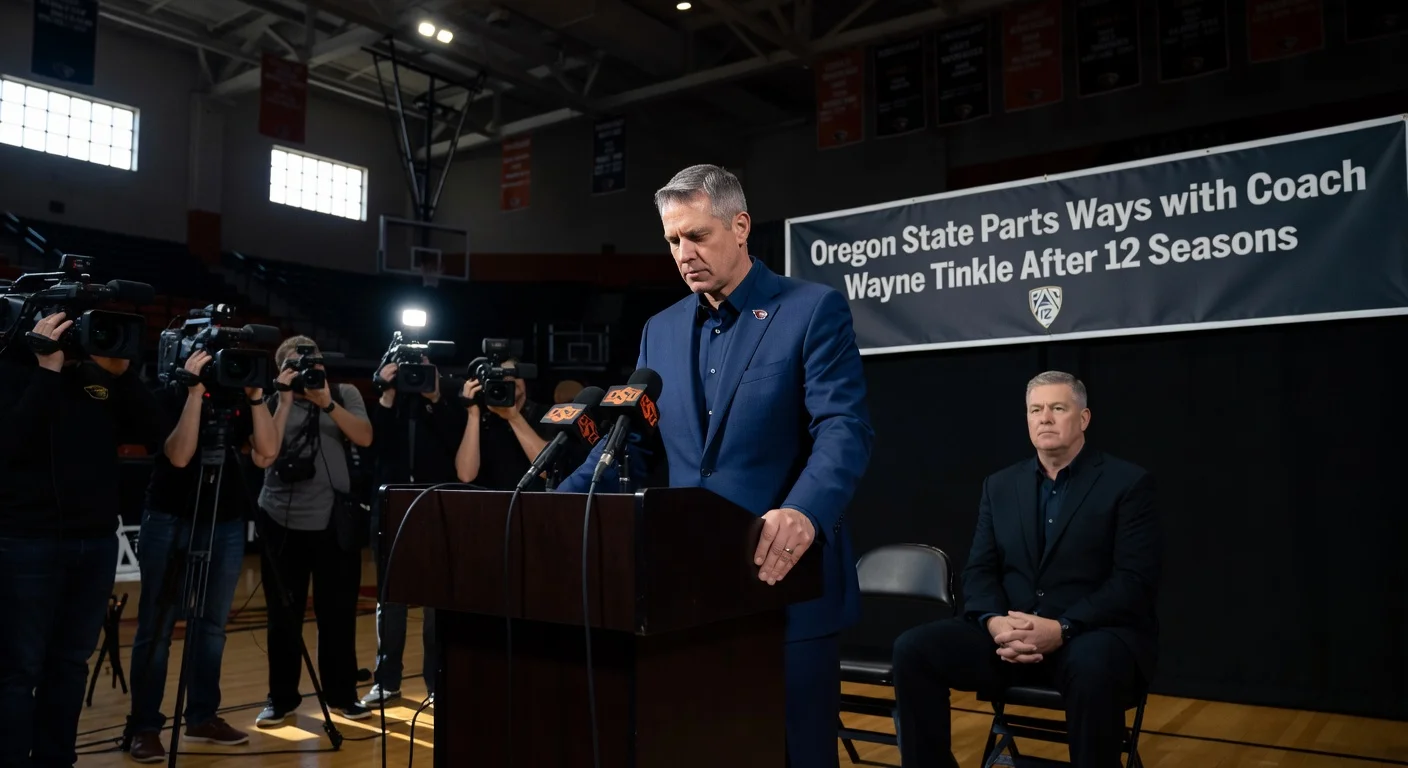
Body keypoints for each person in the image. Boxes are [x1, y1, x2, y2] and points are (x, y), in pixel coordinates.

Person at [557, 164, 874, 767]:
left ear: (741, 226)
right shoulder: (659, 330)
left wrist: (805, 512)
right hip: (691, 591)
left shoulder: (811, 309)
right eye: (673, 240)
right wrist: (550, 507)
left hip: (787, 583)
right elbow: (629, 443)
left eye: (697, 235)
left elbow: (844, 427)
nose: (684, 254)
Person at [891, 371, 1161, 768]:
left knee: (1093, 668)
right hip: (1010, 636)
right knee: (913, 650)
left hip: (1090, 635)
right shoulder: (999, 485)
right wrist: (994, 622)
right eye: (1036, 410)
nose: (1045, 418)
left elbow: (1133, 582)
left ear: (1083, 418)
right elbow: (979, 570)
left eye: (1057, 408)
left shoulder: (1128, 484)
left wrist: (1062, 627)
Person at [0, 312, 166, 767]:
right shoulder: (10, 369)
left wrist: (123, 372)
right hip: (25, 542)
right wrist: (47, 369)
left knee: (71, 664)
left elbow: (155, 433)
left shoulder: (100, 379)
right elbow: (13, 445)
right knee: (18, 670)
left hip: (94, 542)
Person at [123, 349, 280, 761]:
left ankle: (202, 717)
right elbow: (179, 456)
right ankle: (143, 726)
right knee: (157, 628)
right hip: (170, 518)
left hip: (224, 522)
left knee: (210, 627)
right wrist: (194, 394)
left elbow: (267, 453)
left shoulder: (238, 399)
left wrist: (256, 397)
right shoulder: (168, 394)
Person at [254, 336, 375, 726]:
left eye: (315, 361)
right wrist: (285, 399)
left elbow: (364, 436)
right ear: (281, 370)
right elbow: (263, 454)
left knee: (337, 614)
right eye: (297, 363)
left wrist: (326, 403)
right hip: (280, 520)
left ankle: (342, 695)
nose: (309, 368)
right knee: (283, 617)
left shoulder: (343, 393)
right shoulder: (270, 400)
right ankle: (281, 699)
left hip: (333, 521)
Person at [360, 359, 464, 709]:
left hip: (436, 506)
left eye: (421, 367)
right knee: (390, 601)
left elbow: (455, 444)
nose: (414, 375)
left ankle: (436, 683)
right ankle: (387, 681)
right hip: (390, 507)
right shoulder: (390, 402)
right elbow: (371, 448)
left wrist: (435, 397)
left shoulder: (447, 399)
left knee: (436, 603)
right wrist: (387, 395)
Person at [455, 358, 566, 490]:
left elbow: (548, 471)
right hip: (492, 500)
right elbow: (466, 475)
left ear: (523, 381)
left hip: (535, 500)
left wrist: (514, 417)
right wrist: (473, 414)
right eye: (500, 379)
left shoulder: (547, 414)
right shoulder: (484, 420)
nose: (508, 383)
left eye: (513, 375)